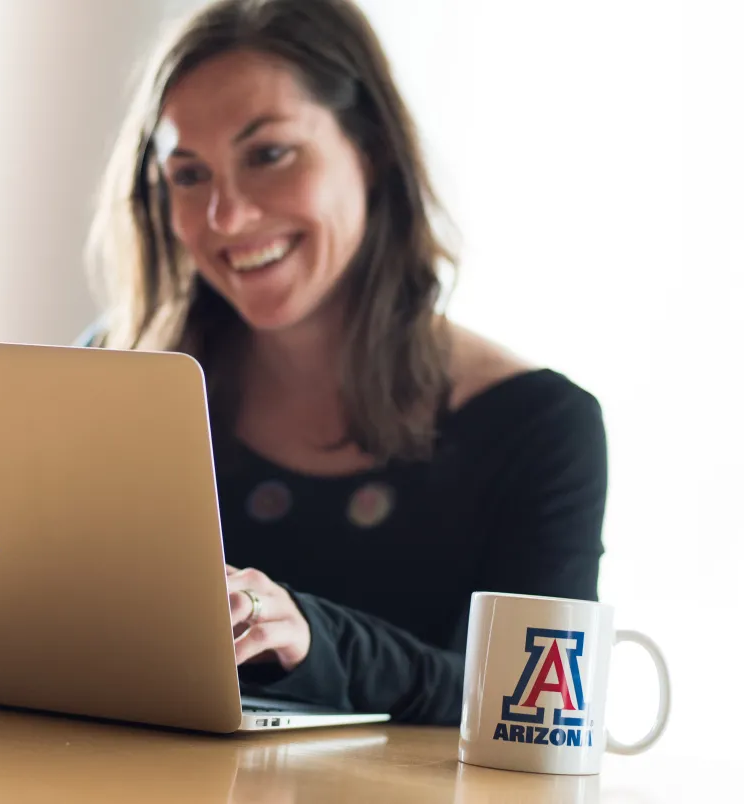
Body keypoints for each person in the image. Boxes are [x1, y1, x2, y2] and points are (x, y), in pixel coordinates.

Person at [78, 0, 607, 726]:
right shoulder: (120, 373)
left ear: (372, 149)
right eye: (190, 175)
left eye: (268, 155)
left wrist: (313, 636)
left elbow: (530, 705)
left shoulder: (537, 428)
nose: (224, 219)